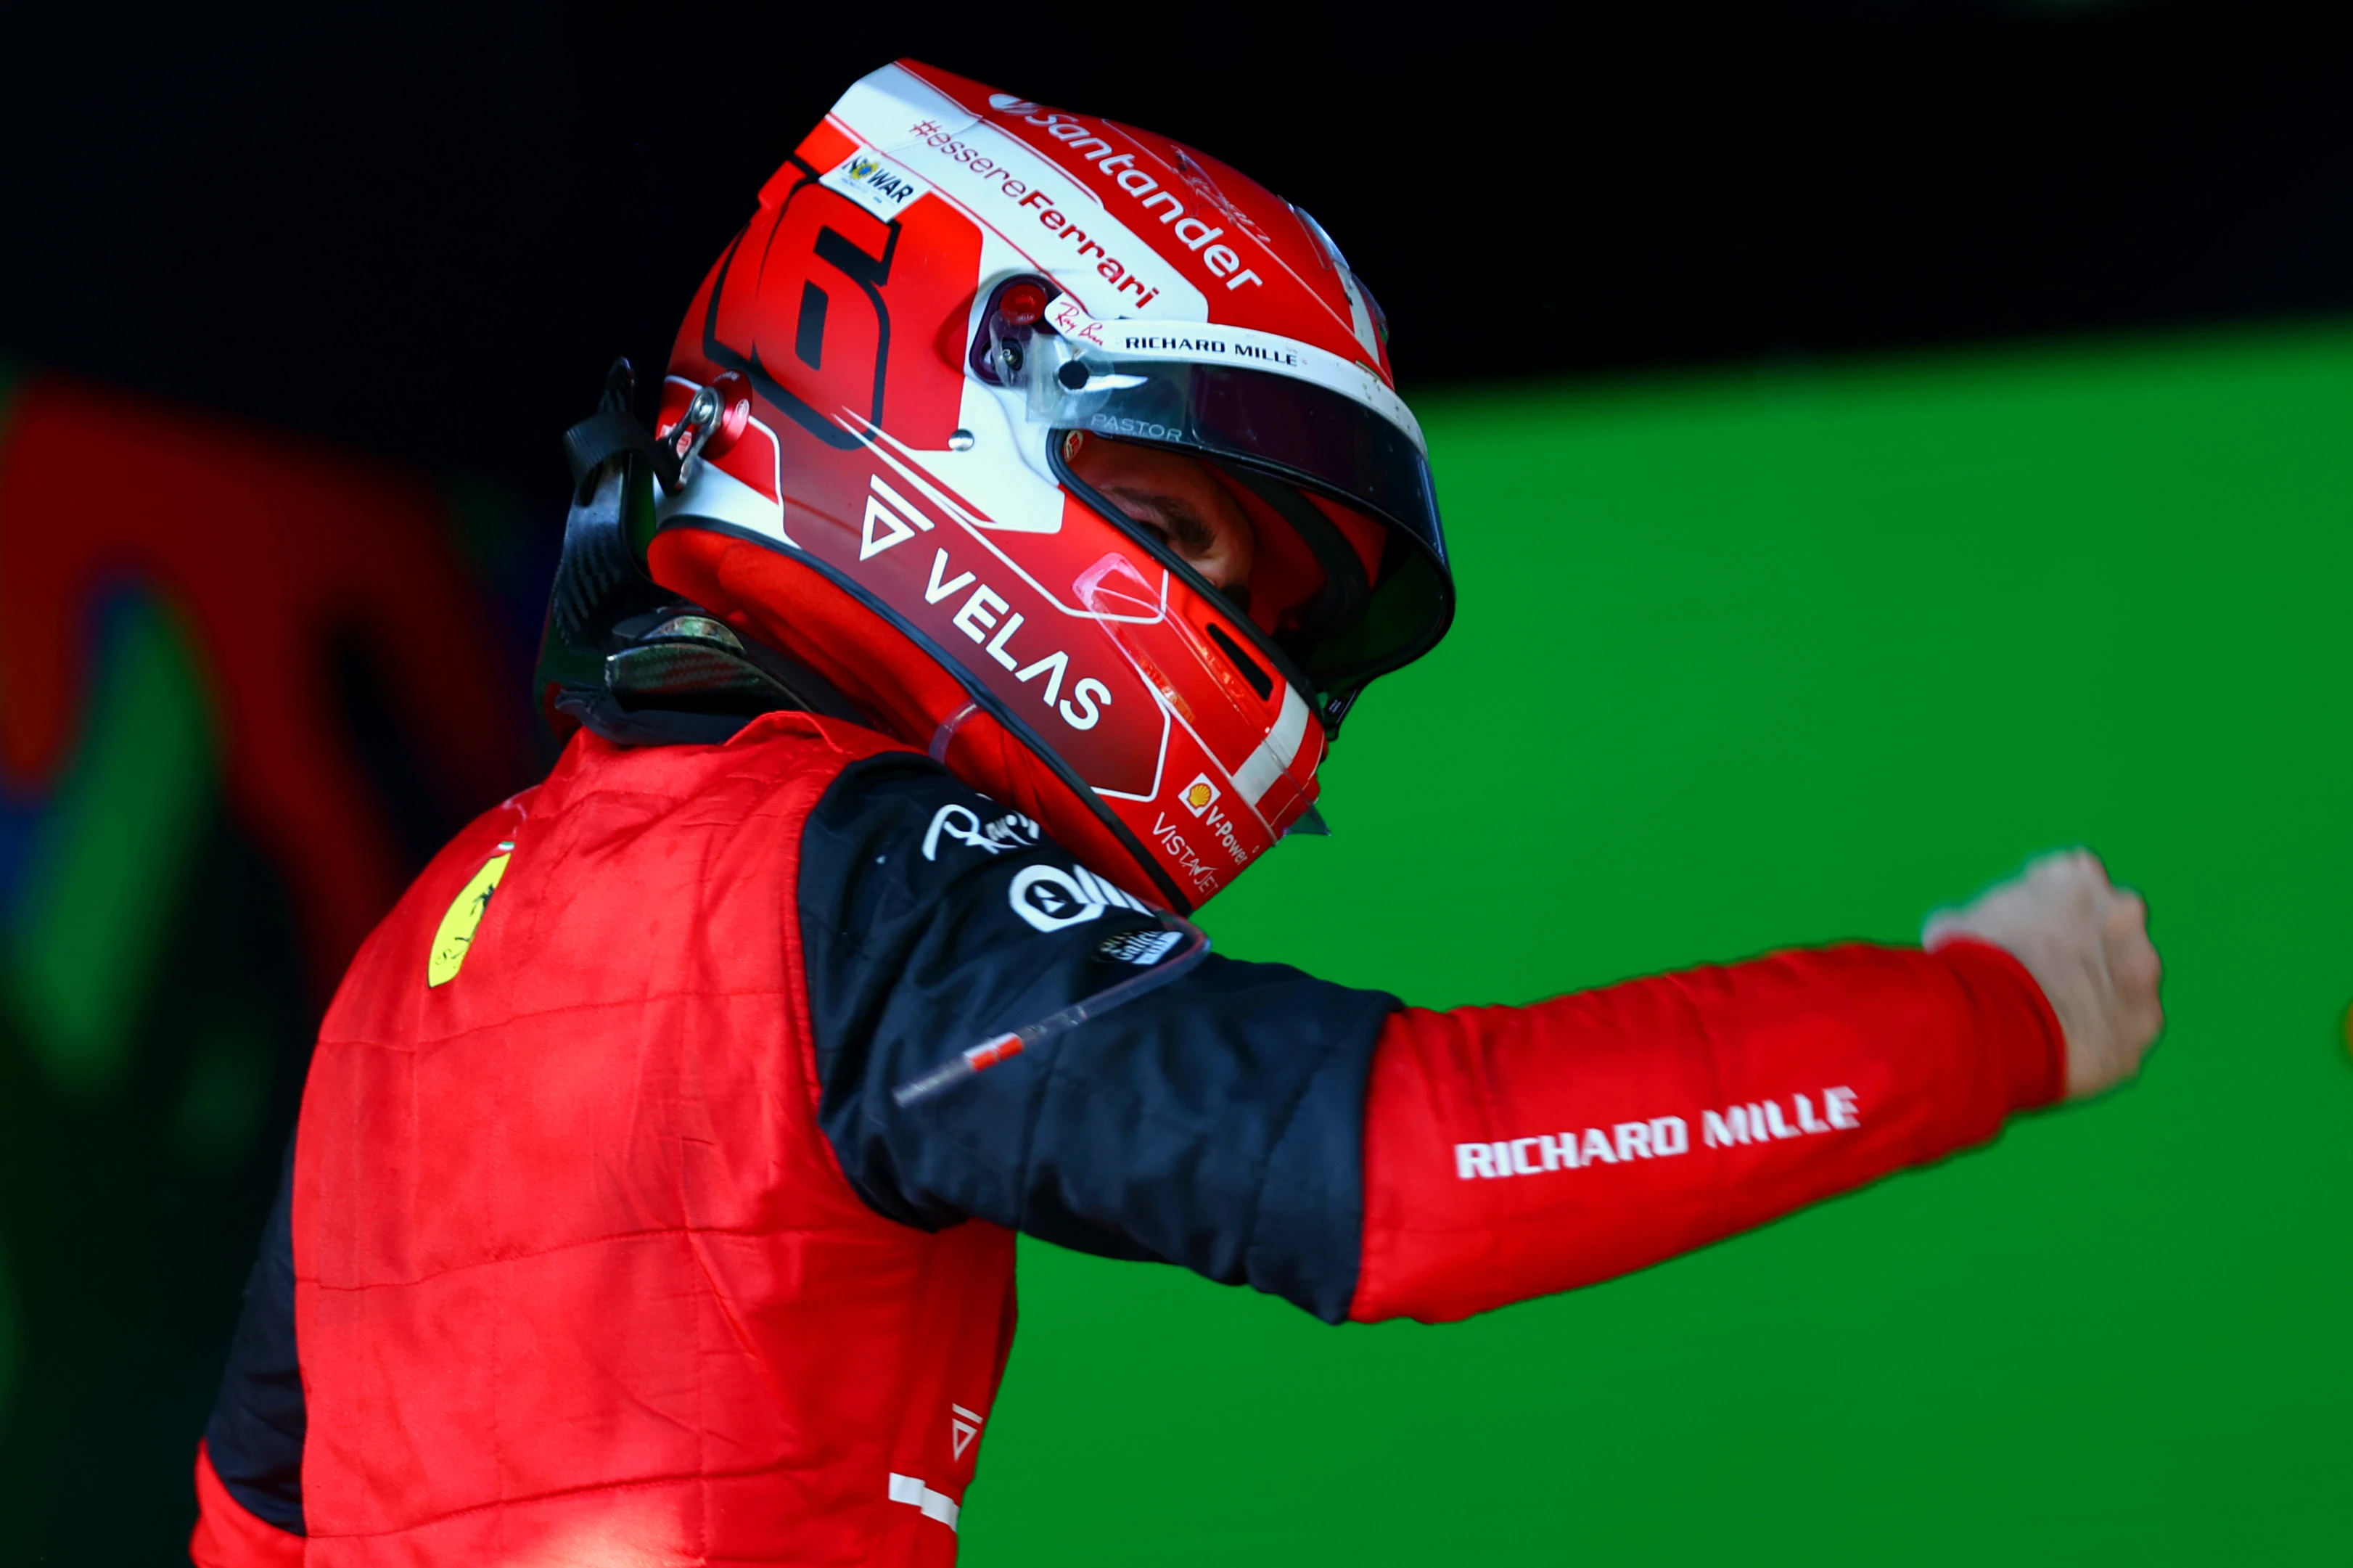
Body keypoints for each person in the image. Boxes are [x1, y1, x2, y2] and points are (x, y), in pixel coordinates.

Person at [188, 60, 2163, 1567]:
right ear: (924, 390)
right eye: (1189, 529)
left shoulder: (419, 936)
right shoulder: (850, 880)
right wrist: (1990, 1010)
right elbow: (1415, 1169)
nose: (1244, 647)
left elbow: (248, 1520)